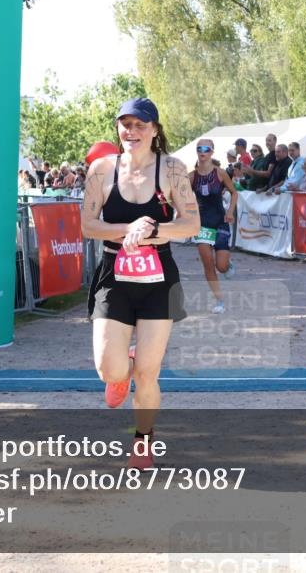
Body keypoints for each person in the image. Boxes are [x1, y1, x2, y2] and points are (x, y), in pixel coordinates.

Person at [81, 98, 199, 471]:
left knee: (149, 373)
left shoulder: (173, 169)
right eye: (125, 124)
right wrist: (126, 229)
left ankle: (143, 443)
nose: (131, 132)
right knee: (109, 370)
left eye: (140, 125)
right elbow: (88, 226)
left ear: (155, 130)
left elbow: (191, 224)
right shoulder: (101, 170)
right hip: (114, 277)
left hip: (158, 281)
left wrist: (154, 229)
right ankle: (121, 370)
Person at [189, 140, 239, 313]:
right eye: (199, 149)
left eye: (206, 149)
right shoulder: (191, 176)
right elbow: (181, 198)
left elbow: (234, 192)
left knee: (221, 266)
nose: (202, 152)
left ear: (212, 152)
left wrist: (230, 211)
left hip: (219, 221)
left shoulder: (221, 173)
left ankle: (228, 265)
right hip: (202, 225)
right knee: (208, 264)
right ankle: (220, 301)